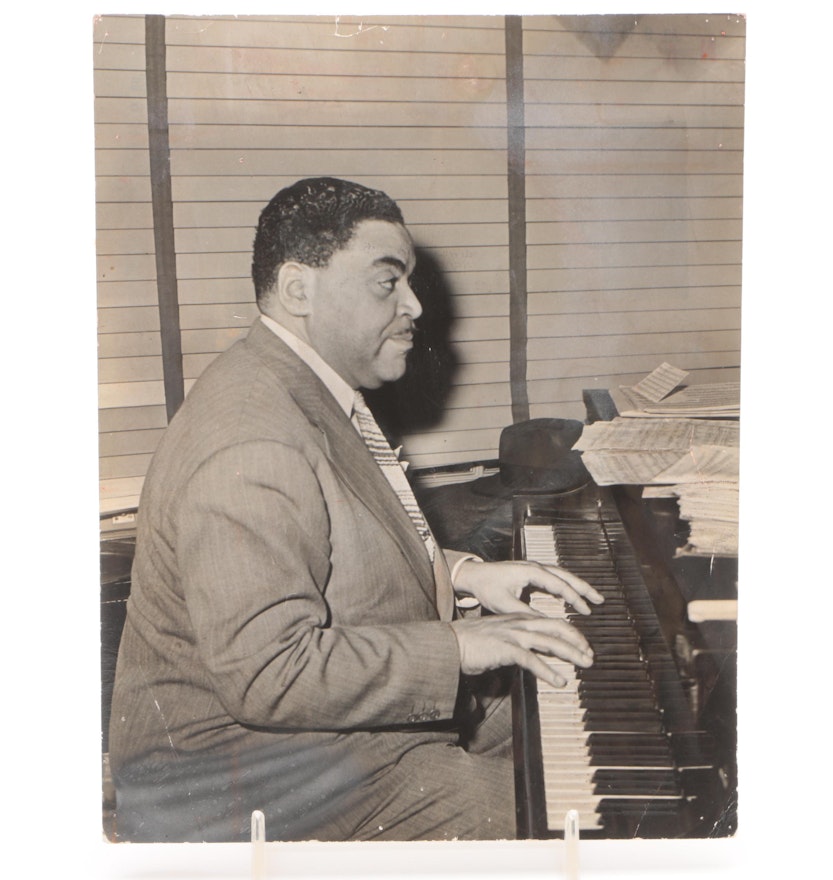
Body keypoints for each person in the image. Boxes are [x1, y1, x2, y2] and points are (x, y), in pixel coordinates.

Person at [108, 177, 604, 843]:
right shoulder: (251, 437)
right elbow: (269, 675)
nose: (416, 305)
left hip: (306, 738)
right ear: (297, 290)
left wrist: (462, 574)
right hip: (235, 777)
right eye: (386, 281)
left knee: (579, 708)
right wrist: (459, 642)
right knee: (570, 826)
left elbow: (341, 537)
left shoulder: (302, 383)